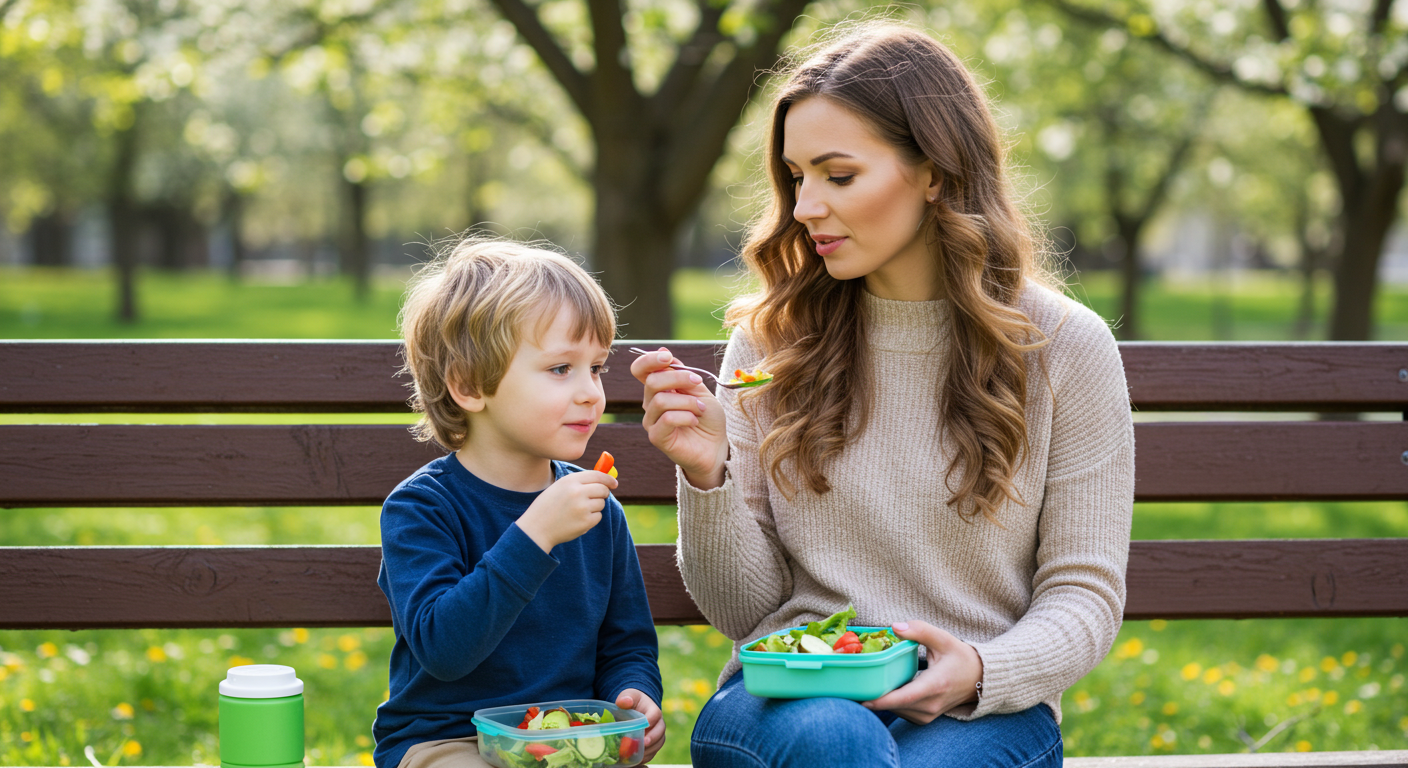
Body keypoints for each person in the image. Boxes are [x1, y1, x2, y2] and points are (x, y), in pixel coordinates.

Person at [630, 22, 1134, 768]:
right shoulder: (772, 344)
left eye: (838, 176)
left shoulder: (1065, 347)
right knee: (839, 741)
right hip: (788, 702)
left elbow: (1083, 592)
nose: (804, 208)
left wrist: (984, 673)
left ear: (934, 171)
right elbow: (745, 612)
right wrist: (709, 476)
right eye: (796, 177)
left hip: (983, 707)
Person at [374, 238, 665, 768]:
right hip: (450, 742)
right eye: (561, 369)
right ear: (467, 384)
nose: (590, 393)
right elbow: (444, 650)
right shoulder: (421, 509)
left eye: (596, 368)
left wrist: (634, 694)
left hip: (570, 744)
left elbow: (627, 644)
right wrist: (536, 535)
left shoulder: (597, 510)